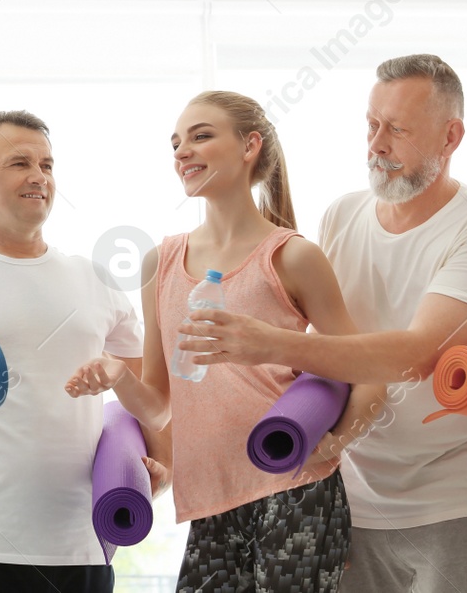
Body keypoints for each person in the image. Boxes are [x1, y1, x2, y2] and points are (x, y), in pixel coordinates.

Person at [182, 55, 467, 593]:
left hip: (455, 493)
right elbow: (329, 349)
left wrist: (271, 343)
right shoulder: (341, 215)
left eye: (398, 129)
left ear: (451, 136)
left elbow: (414, 355)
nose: (377, 144)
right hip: (351, 491)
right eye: (372, 124)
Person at [67, 90, 383, 592]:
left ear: (249, 145)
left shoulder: (292, 257)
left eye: (201, 136)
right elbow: (156, 405)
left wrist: (332, 443)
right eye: (175, 144)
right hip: (210, 501)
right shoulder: (161, 262)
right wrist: (116, 374)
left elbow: (366, 371)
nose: (182, 153)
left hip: (296, 491)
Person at [0, 110, 171, 593]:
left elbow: (150, 397)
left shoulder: (95, 280)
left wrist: (161, 465)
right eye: (20, 163)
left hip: (84, 543)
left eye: (47, 164)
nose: (39, 176)